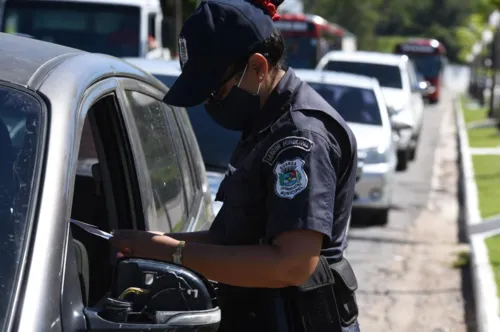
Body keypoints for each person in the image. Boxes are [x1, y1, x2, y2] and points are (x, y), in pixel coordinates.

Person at [110, 0, 360, 331]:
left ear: (258, 67)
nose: (211, 104)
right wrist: (152, 245)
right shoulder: (265, 122)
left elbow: (292, 264)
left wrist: (174, 254)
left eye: (215, 91)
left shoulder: (300, 137)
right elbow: (233, 239)